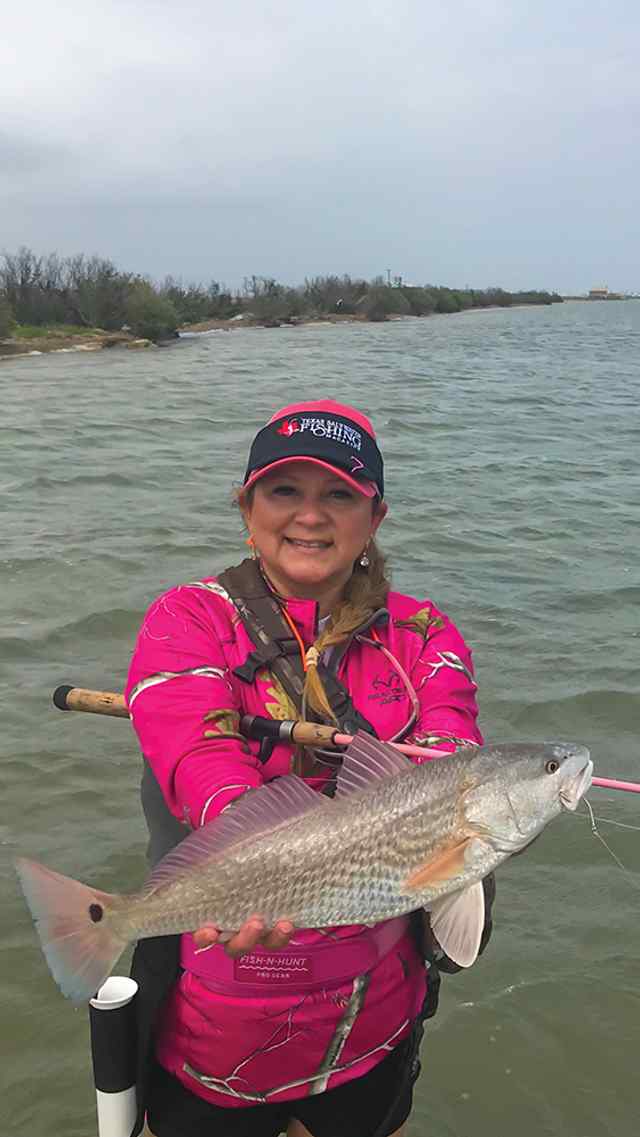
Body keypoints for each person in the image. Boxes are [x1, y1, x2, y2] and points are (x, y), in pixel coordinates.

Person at [125, 399, 488, 1137]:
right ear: (246, 505)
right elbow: (196, 747)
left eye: (339, 494)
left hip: (374, 1022)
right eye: (284, 490)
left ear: (375, 517)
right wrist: (249, 851)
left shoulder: (424, 635)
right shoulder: (187, 617)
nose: (310, 516)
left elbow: (452, 744)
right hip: (215, 1030)